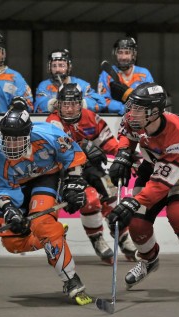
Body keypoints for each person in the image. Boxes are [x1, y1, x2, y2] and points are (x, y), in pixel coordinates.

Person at [0, 108, 93, 305]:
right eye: (8, 138)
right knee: (12, 244)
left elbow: (73, 156)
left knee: (42, 223)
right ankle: (53, 236)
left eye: (17, 139)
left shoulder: (49, 135)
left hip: (47, 177)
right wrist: (10, 210)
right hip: (18, 188)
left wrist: (73, 185)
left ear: (28, 134)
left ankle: (70, 279)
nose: (11, 144)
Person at [108, 82, 179, 289]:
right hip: (153, 165)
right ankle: (149, 260)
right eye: (132, 107)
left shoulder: (176, 133)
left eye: (138, 109)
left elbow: (161, 183)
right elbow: (127, 135)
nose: (131, 113)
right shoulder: (136, 119)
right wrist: (123, 154)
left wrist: (134, 202)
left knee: (178, 215)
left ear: (154, 112)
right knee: (137, 222)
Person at [46, 83, 137, 264]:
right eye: (65, 104)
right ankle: (97, 239)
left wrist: (127, 157)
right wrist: (85, 146)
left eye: (73, 104)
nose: (69, 109)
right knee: (90, 200)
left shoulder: (91, 117)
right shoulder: (52, 122)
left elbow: (109, 143)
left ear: (81, 104)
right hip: (65, 171)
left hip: (89, 168)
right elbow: (59, 151)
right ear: (58, 105)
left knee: (111, 195)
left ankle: (123, 236)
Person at [34, 49, 106, 113]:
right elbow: (37, 106)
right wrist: (54, 103)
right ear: (49, 67)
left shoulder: (82, 85)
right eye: (54, 66)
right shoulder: (44, 86)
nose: (57, 69)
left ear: (69, 67)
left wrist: (79, 103)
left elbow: (101, 103)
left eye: (61, 65)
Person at [98, 37, 154, 115]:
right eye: (120, 52)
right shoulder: (107, 73)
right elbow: (102, 101)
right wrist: (124, 108)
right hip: (113, 119)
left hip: (139, 119)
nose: (123, 57)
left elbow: (150, 100)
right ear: (115, 54)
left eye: (127, 53)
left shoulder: (144, 74)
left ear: (133, 55)